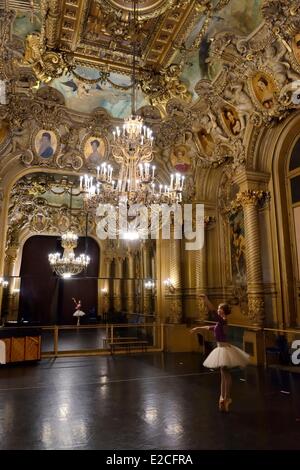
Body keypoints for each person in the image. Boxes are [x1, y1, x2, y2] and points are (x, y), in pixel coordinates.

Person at [190, 295, 249, 412]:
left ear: (224, 311)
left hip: (224, 349)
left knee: (225, 373)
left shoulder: (223, 320)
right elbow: (210, 327)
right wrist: (198, 328)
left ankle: (226, 397)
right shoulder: (219, 323)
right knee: (223, 373)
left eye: (220, 308)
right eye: (218, 308)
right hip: (221, 348)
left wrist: (206, 300)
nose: (218, 309)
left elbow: (212, 312)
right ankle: (223, 397)